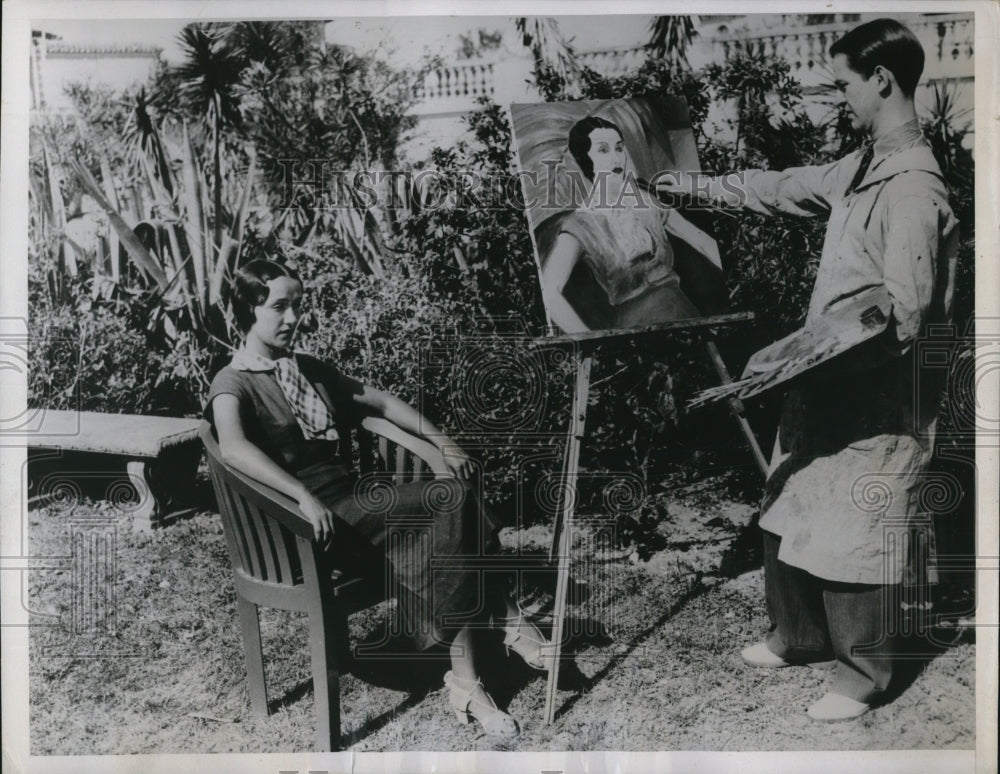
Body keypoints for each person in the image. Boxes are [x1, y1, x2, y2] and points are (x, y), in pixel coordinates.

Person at [660, 18, 958, 721]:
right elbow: (782, 185)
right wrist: (692, 187)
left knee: (862, 522)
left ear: (880, 80)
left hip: (878, 388)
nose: (842, 96)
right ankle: (798, 635)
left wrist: (815, 363)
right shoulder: (862, 165)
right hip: (826, 374)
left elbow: (909, 317)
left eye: (845, 82)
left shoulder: (915, 186)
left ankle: (864, 673)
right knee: (791, 494)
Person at [204, 259, 548, 739]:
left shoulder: (307, 370)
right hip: (310, 527)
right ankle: (503, 622)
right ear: (248, 310)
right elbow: (234, 447)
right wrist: (301, 494)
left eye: (298, 305)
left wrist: (441, 442)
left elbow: (381, 403)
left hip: (352, 509)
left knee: (456, 499)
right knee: (450, 502)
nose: (293, 317)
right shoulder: (233, 381)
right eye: (279, 307)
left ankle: (470, 675)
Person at [542, 115, 720, 333]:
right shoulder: (581, 224)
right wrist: (590, 340)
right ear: (585, 158)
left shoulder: (647, 202)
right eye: (604, 150)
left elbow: (702, 241)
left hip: (685, 315)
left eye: (619, 148)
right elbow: (549, 292)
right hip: (635, 333)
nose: (617, 158)